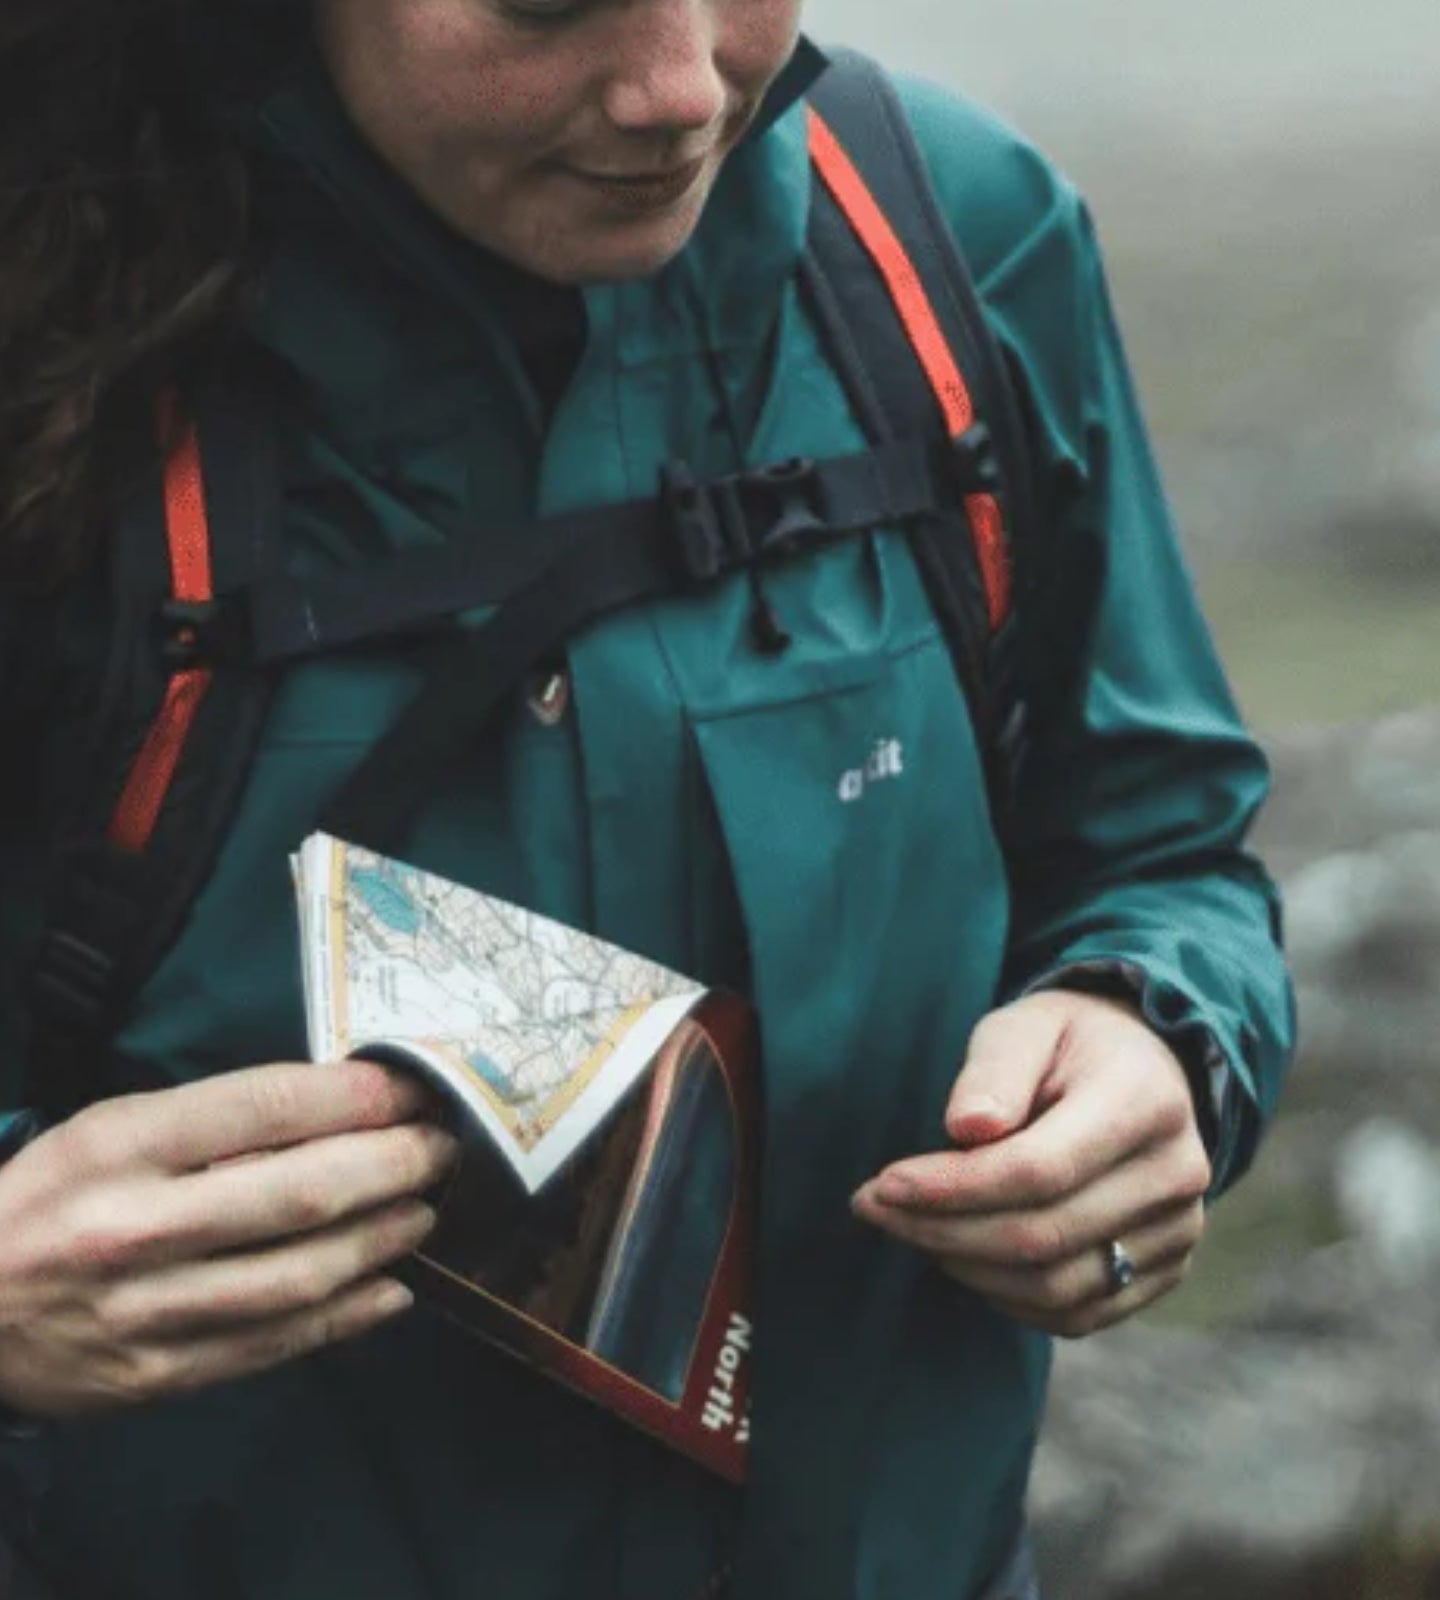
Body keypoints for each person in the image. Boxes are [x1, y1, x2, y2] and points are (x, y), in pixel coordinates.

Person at [0, 2, 1294, 1598]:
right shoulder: (50, 307)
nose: (682, 92)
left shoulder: (948, 247)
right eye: (549, 3)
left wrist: (1153, 1035)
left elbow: (1161, 851)